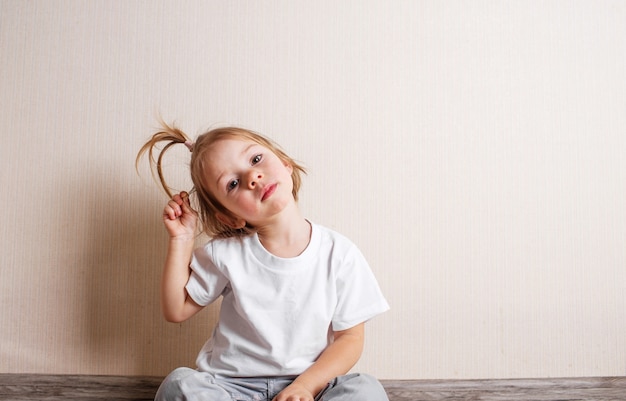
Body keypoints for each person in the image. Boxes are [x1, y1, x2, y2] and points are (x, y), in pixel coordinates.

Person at [137, 121, 390, 401]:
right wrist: (181, 240)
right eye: (233, 183)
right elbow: (176, 309)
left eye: (256, 159)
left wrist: (305, 386)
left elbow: (350, 339)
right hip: (231, 389)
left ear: (284, 163)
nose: (253, 177)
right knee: (179, 384)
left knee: (365, 389)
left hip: (310, 388)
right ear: (230, 217)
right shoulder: (227, 253)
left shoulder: (340, 253)